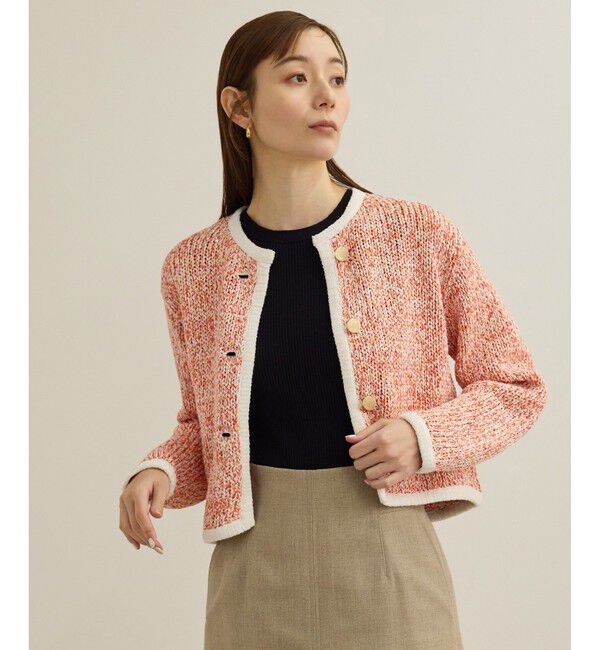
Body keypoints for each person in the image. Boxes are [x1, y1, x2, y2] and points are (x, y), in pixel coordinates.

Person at [118, 10, 547, 649]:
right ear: (239, 107)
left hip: (389, 564)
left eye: (337, 78)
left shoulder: (416, 236)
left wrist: (424, 436)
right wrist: (160, 472)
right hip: (254, 572)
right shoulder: (193, 267)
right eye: (297, 77)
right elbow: (204, 426)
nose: (327, 96)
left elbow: (517, 387)